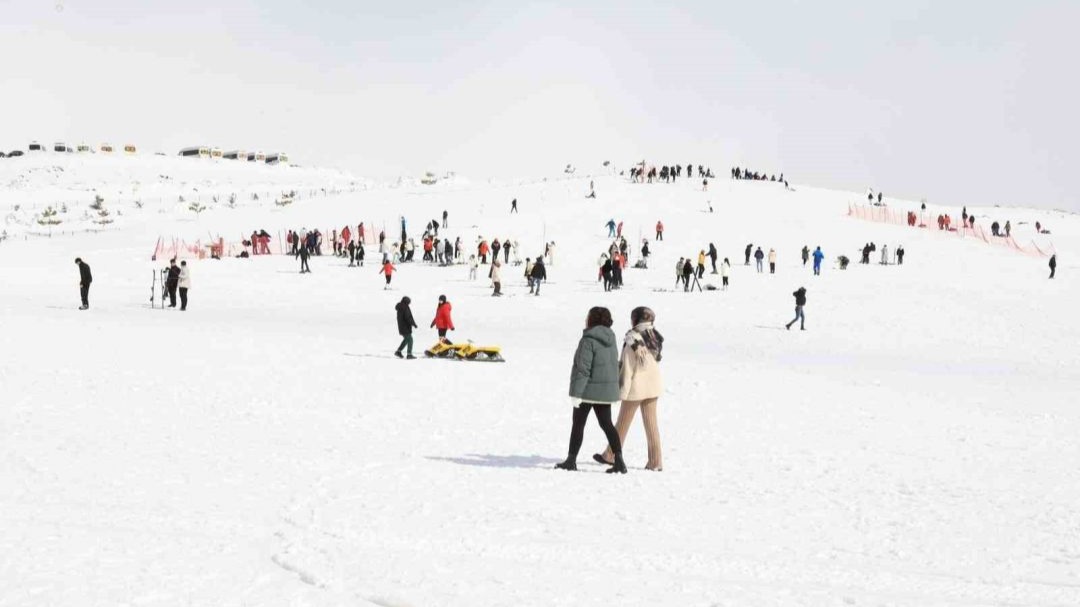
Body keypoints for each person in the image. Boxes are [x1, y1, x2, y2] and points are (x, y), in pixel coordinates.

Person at [555, 306, 626, 474]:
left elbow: (583, 369)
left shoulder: (588, 339)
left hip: (587, 390)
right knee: (607, 425)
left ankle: (571, 460)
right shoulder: (611, 337)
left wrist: (576, 394)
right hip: (605, 391)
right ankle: (619, 461)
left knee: (578, 424)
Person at [594, 306, 664, 471]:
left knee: (622, 423)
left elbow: (627, 368)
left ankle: (610, 455)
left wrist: (621, 391)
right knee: (651, 425)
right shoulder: (653, 335)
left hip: (636, 388)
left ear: (636, 320)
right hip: (653, 385)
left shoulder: (633, 339)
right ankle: (655, 462)